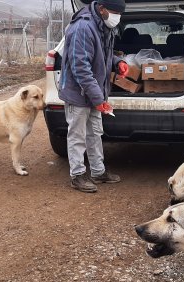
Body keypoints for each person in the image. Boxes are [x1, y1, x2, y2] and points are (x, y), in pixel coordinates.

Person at [58, 0, 129, 193]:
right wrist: (99, 99)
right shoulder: (83, 27)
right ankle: (77, 175)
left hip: (94, 91)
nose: (117, 17)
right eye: (115, 12)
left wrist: (117, 62)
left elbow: (102, 54)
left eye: (120, 14)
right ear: (102, 9)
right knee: (77, 135)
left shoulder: (103, 25)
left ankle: (98, 171)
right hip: (78, 92)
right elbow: (81, 68)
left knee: (95, 133)